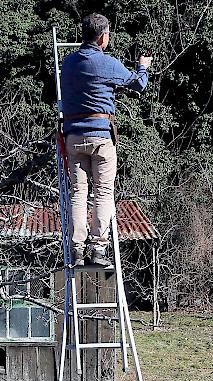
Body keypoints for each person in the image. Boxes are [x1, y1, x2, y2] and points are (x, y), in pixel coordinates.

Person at [60, 13, 152, 266]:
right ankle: (98, 249)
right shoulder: (107, 63)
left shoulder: (67, 64)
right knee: (103, 192)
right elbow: (139, 85)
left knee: (78, 193)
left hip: (74, 136)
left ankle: (76, 249)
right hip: (101, 136)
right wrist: (142, 65)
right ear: (103, 37)